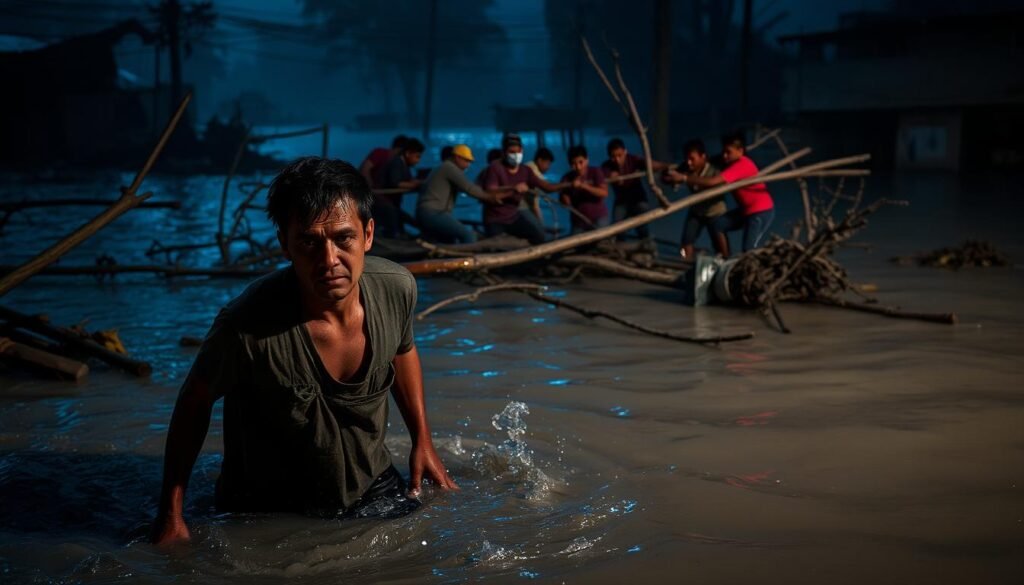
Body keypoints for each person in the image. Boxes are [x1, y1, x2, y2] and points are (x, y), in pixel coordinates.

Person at [152, 157, 457, 546]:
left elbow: (402, 350)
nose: (329, 261)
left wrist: (422, 441)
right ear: (285, 244)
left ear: (367, 235)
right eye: (310, 242)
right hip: (269, 504)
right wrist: (170, 514)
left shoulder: (395, 288)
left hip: (370, 482)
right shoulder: (246, 327)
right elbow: (193, 402)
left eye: (343, 239)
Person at [674, 132, 775, 254]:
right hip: (745, 211)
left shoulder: (741, 165)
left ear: (740, 151)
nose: (725, 155)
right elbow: (711, 160)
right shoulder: (729, 162)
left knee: (748, 249)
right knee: (718, 224)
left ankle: (755, 266)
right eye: (724, 152)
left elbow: (713, 182)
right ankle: (724, 258)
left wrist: (684, 178)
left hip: (760, 212)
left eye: (728, 152)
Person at [417, 144, 511, 243]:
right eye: (466, 161)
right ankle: (467, 258)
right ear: (457, 157)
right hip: (433, 214)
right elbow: (469, 188)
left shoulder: (444, 167)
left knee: (449, 240)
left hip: (430, 213)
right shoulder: (449, 168)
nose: (468, 165)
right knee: (468, 235)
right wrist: (490, 197)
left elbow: (468, 188)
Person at [481, 133, 561, 245]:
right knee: (496, 246)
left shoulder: (525, 170)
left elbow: (547, 187)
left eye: (518, 152)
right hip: (496, 220)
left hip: (513, 218)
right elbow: (490, 192)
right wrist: (513, 190)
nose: (515, 155)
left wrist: (568, 184)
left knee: (539, 237)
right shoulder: (495, 168)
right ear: (504, 153)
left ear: (522, 151)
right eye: (512, 152)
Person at [662, 139, 730, 259]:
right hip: (696, 212)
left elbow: (712, 183)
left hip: (715, 212)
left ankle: (725, 262)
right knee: (686, 242)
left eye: (692, 159)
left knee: (720, 246)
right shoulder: (686, 168)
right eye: (687, 159)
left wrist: (684, 179)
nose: (689, 162)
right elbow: (666, 177)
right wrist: (671, 179)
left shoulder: (715, 169)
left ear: (703, 157)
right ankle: (685, 260)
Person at [600, 138, 669, 240]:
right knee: (617, 227)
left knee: (642, 225)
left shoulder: (633, 160)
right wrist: (612, 176)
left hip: (638, 199)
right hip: (621, 202)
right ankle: (621, 247)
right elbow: (604, 176)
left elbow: (651, 165)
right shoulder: (606, 166)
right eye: (613, 157)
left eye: (620, 155)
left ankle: (646, 243)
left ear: (625, 152)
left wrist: (667, 166)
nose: (617, 160)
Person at [376, 138, 425, 238]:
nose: (418, 160)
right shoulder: (397, 162)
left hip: (392, 205)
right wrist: (416, 185)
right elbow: (396, 183)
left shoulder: (404, 165)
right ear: (408, 153)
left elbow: (409, 180)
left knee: (406, 221)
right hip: (384, 203)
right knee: (395, 226)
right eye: (417, 156)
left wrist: (420, 182)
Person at [559, 145, 609, 234]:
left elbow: (604, 193)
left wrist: (584, 186)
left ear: (587, 160)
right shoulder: (566, 178)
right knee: (577, 245)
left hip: (598, 218)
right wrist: (565, 198)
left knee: (601, 240)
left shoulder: (595, 172)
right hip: (579, 222)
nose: (578, 167)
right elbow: (565, 203)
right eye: (573, 164)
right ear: (569, 164)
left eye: (580, 162)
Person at [523, 147, 554, 231]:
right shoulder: (531, 169)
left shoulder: (531, 167)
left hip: (528, 207)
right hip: (523, 208)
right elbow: (547, 187)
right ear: (540, 161)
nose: (548, 167)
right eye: (547, 164)